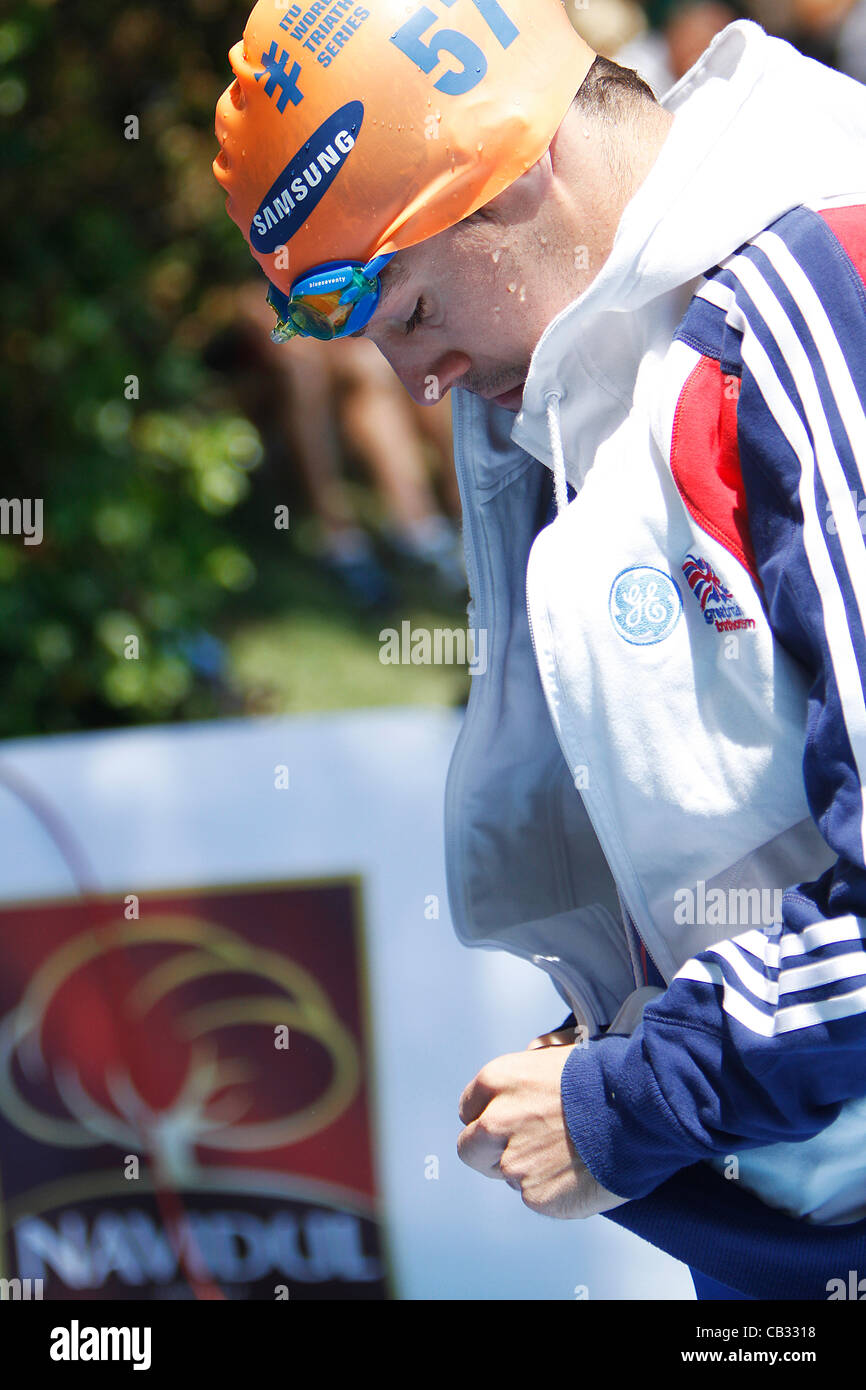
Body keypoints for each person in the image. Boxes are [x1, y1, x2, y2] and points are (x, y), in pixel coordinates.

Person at [214, 0, 866, 1298]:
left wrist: (631, 1095)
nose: (417, 380)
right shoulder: (590, 362)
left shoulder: (811, 296)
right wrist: (614, 1017)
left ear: (510, 166)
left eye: (400, 311)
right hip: (796, 1214)